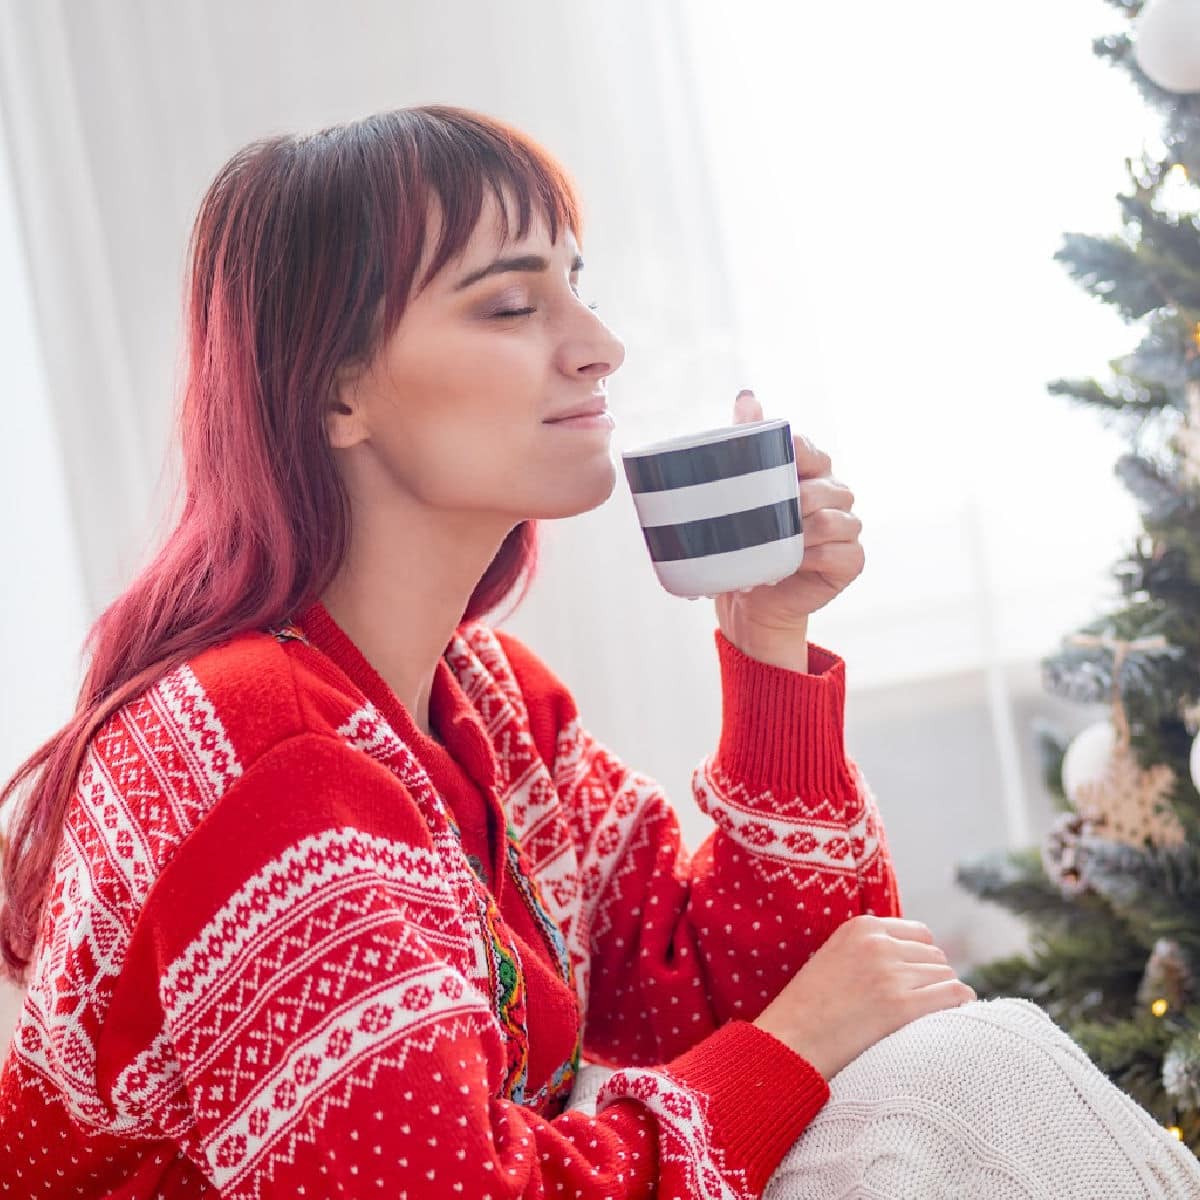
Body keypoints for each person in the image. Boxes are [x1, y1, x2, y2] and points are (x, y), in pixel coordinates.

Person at [0, 104, 1193, 1200]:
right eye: (514, 306)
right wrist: (788, 1050)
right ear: (333, 395)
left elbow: (780, 989)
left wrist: (768, 640)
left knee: (956, 1067)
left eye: (579, 287)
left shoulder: (490, 704)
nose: (601, 345)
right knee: (975, 1073)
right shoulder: (275, 756)